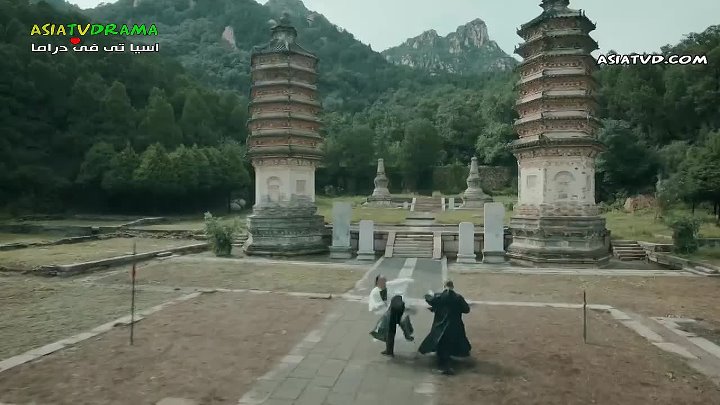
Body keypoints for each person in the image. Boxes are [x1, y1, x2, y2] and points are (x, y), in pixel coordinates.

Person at [418, 280, 471, 375]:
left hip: (442, 326)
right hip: (455, 326)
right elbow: (466, 310)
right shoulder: (458, 298)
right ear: (453, 287)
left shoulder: (440, 297)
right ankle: (448, 365)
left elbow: (431, 300)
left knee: (442, 347)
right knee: (452, 345)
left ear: (444, 286)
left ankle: (445, 368)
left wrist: (427, 295)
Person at [368, 275, 415, 357]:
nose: (384, 283)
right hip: (390, 312)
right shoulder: (375, 292)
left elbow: (397, 283)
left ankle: (407, 334)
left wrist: (408, 280)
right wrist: (382, 305)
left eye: (384, 281)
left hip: (397, 308)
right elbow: (373, 305)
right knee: (389, 331)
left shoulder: (389, 286)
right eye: (381, 281)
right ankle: (389, 350)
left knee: (404, 322)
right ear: (377, 282)